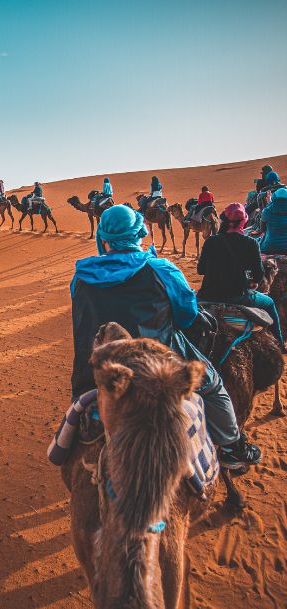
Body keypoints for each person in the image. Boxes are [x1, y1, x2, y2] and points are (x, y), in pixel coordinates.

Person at [70, 204, 261, 469]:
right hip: (159, 367)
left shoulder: (80, 276)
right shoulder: (162, 270)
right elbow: (186, 317)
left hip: (94, 370)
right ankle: (232, 448)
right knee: (214, 386)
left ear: (102, 237)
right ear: (140, 233)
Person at [197, 203, 284, 347]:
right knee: (269, 303)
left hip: (208, 295)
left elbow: (200, 270)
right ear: (244, 221)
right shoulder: (251, 243)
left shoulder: (211, 241)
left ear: (223, 220)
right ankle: (280, 344)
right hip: (238, 296)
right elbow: (258, 276)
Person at [259, 186, 287, 254]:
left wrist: (269, 204)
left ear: (274, 197)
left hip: (270, 248)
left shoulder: (267, 211)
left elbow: (262, 229)